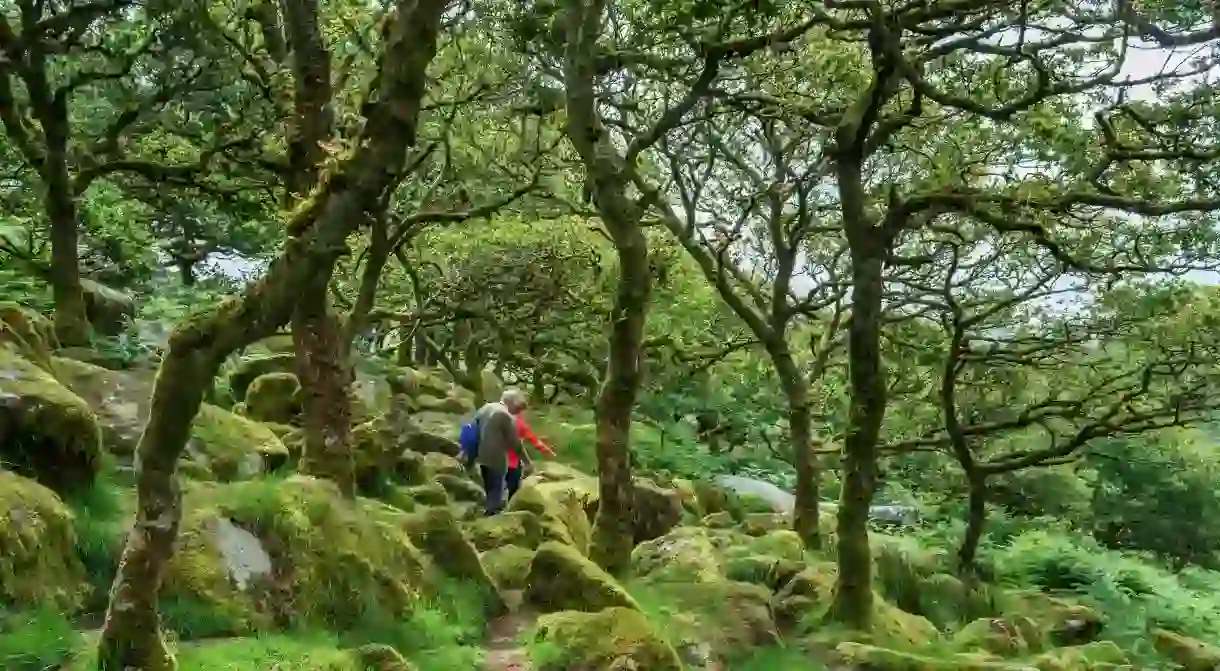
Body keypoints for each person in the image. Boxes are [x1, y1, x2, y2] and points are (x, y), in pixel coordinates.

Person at [472, 388, 528, 515]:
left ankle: (484, 513)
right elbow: (516, 443)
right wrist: (527, 462)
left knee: (487, 488)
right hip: (496, 459)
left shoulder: (486, 408)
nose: (517, 411)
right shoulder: (505, 415)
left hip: (480, 456)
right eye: (518, 407)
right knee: (495, 493)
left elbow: (472, 427)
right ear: (512, 402)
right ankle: (492, 521)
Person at [508, 410, 555, 501]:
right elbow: (533, 440)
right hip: (512, 464)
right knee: (513, 491)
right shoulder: (519, 423)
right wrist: (547, 451)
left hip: (494, 461)